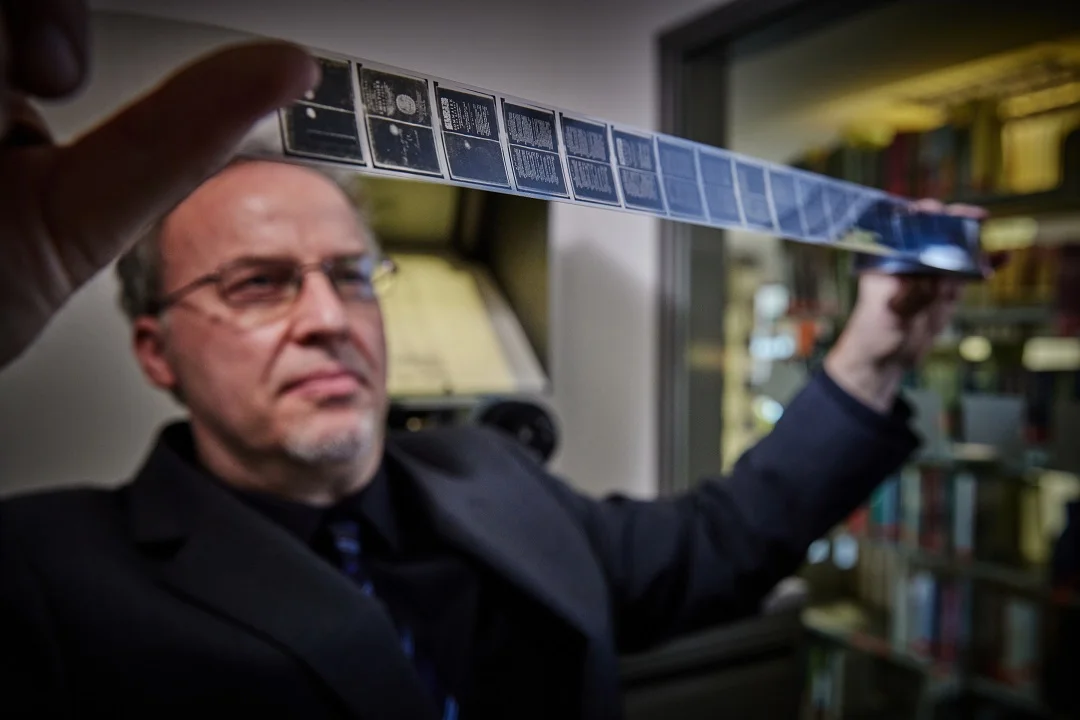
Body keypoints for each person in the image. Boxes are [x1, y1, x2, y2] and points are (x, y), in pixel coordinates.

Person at [0, 5, 986, 719]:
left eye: (351, 275)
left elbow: (715, 547)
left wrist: (872, 358)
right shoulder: (44, 576)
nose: (328, 318)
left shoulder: (490, 474)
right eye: (259, 284)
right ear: (156, 349)